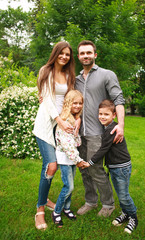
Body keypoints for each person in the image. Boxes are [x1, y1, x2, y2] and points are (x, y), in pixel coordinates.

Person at [75, 40, 125, 217]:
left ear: (95, 55)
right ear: (79, 56)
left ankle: (108, 204)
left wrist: (120, 125)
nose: (85, 56)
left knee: (95, 169)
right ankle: (90, 201)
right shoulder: (77, 80)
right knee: (83, 169)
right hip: (79, 134)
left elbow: (118, 99)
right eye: (82, 53)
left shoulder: (106, 75)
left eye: (89, 52)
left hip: (98, 134)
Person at [33, 41, 76, 230]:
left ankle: (44, 198)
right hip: (46, 123)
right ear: (56, 53)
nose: (64, 57)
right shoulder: (46, 70)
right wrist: (59, 119)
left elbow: (71, 98)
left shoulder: (68, 75)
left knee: (56, 166)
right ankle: (40, 210)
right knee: (51, 165)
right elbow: (47, 99)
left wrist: (73, 119)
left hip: (62, 125)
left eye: (67, 54)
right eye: (62, 53)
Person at [82, 100, 138, 234]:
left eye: (106, 114)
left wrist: (89, 162)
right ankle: (125, 213)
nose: (102, 116)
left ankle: (133, 218)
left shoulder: (112, 129)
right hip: (114, 166)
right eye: (100, 114)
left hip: (121, 167)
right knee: (120, 193)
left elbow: (103, 150)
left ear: (114, 115)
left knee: (123, 195)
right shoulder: (107, 128)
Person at [52, 90, 86, 227]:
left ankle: (67, 208)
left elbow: (76, 142)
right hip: (65, 158)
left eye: (80, 103)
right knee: (69, 186)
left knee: (70, 187)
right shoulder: (65, 120)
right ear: (68, 103)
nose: (77, 106)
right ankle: (56, 211)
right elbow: (67, 146)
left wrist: (77, 129)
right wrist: (78, 160)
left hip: (72, 158)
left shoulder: (74, 118)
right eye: (75, 103)